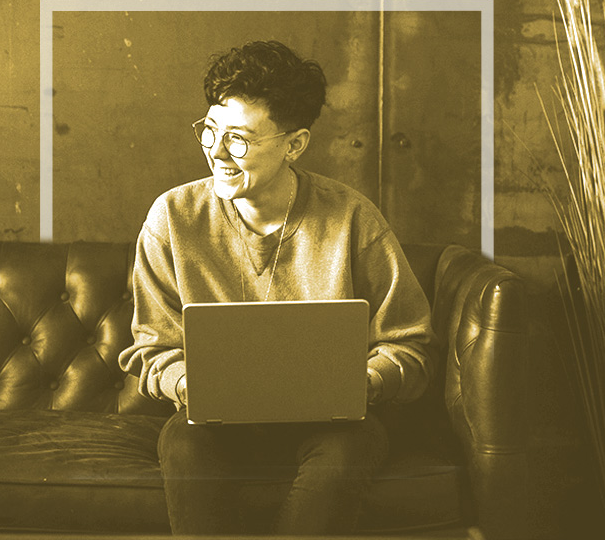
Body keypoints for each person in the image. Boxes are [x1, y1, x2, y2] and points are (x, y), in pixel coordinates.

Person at [118, 39, 439, 535]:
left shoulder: (352, 217)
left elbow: (409, 344)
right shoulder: (173, 218)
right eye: (209, 131)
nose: (218, 153)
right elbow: (153, 347)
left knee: (349, 447)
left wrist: (365, 382)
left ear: (295, 145)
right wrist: (187, 384)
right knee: (183, 444)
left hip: (332, 425)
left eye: (239, 140)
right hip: (213, 425)